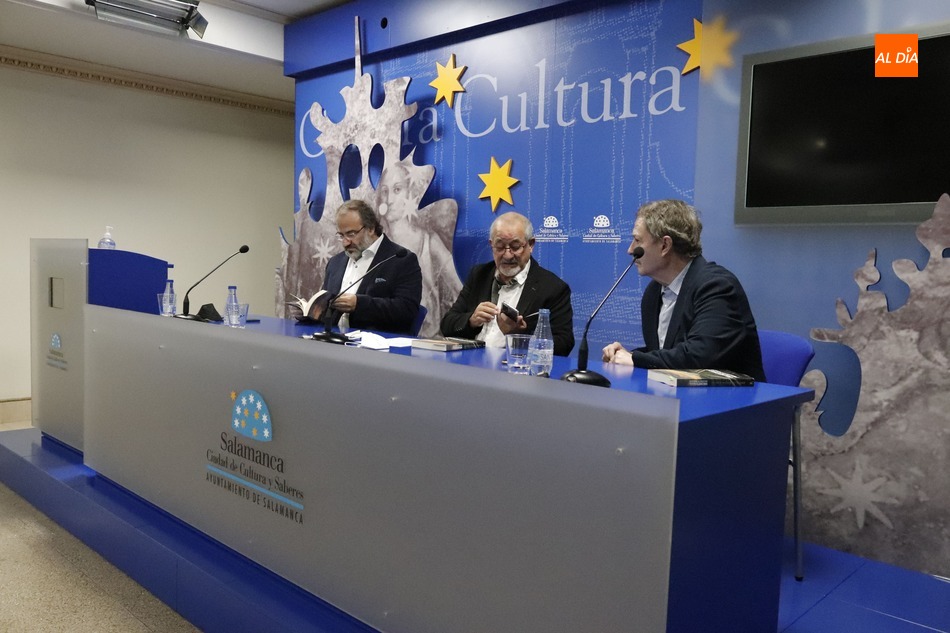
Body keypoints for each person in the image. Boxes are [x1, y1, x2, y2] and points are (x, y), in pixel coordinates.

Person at [601, 199, 765, 380]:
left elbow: (699, 356)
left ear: (665, 245)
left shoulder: (717, 287)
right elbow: (665, 353)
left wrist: (636, 359)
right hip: (674, 399)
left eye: (637, 240)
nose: (630, 250)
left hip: (732, 402)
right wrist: (624, 355)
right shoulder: (653, 292)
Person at [440, 211, 575, 356]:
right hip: (471, 363)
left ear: (531, 245)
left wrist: (518, 335)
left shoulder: (552, 288)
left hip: (515, 369)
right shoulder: (479, 275)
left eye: (515, 247)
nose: (507, 254)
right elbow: (447, 325)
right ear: (491, 245)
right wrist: (471, 320)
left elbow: (563, 345)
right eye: (500, 246)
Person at [320, 199, 423, 335]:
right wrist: (309, 312)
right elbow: (326, 307)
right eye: (341, 235)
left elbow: (407, 310)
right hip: (332, 344)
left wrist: (359, 304)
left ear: (370, 228)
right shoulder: (335, 262)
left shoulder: (401, 260)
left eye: (351, 234)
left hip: (376, 349)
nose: (345, 242)